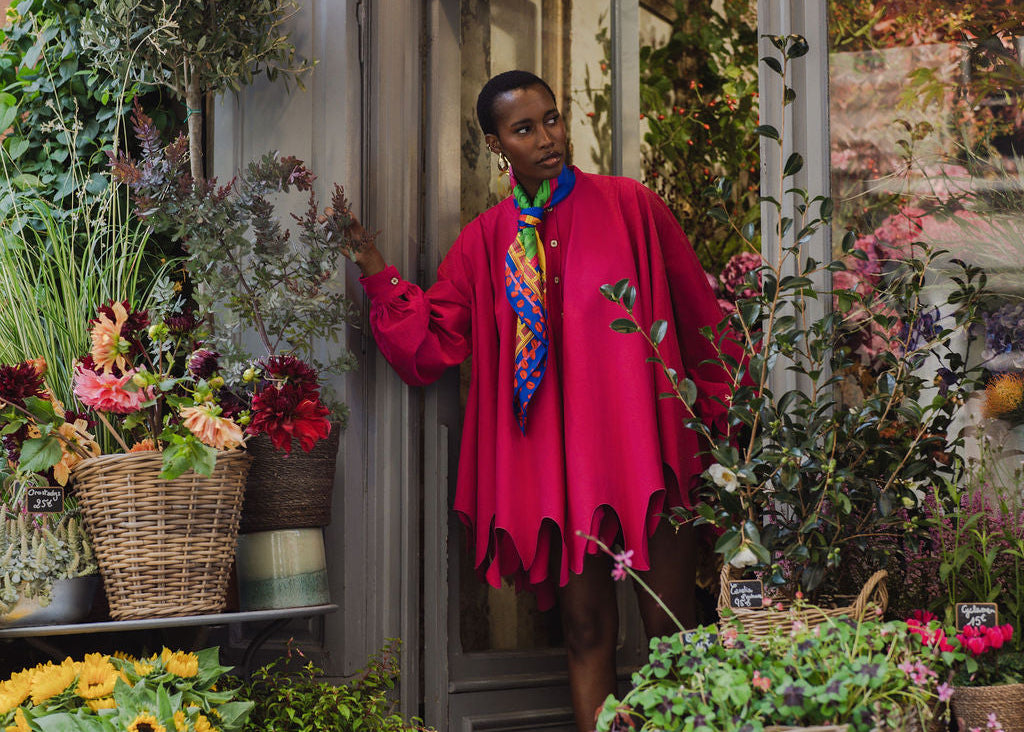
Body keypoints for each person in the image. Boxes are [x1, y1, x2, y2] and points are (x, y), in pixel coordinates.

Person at [344, 70, 730, 732]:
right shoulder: (484, 242)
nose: (548, 138)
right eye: (525, 128)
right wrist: (376, 269)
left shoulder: (632, 206)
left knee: (674, 632)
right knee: (584, 632)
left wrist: (719, 418)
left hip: (649, 454)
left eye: (552, 119)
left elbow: (700, 318)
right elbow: (434, 341)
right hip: (562, 473)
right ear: (497, 144)